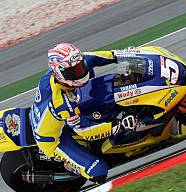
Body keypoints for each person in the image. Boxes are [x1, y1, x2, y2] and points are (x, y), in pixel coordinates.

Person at [30, 43, 133, 184]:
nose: (81, 72)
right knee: (98, 171)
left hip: (59, 112)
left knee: (94, 79)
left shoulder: (64, 70)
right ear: (61, 74)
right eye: (74, 71)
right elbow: (86, 131)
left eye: (80, 66)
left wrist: (122, 56)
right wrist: (117, 127)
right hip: (54, 139)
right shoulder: (63, 104)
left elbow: (95, 58)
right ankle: (68, 166)